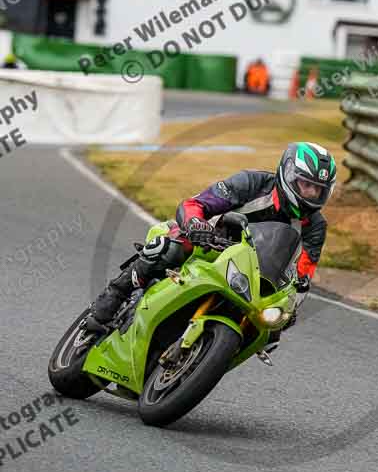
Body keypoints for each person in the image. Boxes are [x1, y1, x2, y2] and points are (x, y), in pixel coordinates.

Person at [86, 142, 337, 350]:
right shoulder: (252, 183)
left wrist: (289, 308)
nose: (311, 194)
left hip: (253, 280)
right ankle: (111, 300)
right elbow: (195, 204)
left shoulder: (315, 227)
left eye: (318, 190)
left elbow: (303, 276)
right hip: (209, 246)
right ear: (288, 174)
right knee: (169, 247)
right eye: (306, 184)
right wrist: (196, 223)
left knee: (268, 330)